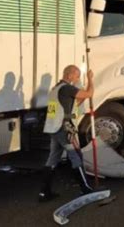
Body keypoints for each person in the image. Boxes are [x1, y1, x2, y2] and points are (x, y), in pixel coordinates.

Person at [39, 65, 95, 202]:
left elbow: (73, 103)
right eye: (76, 76)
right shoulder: (67, 88)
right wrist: (90, 79)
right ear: (69, 75)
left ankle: (44, 192)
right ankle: (86, 189)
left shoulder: (55, 89)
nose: (76, 79)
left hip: (53, 127)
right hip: (63, 128)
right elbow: (89, 94)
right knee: (75, 155)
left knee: (52, 159)